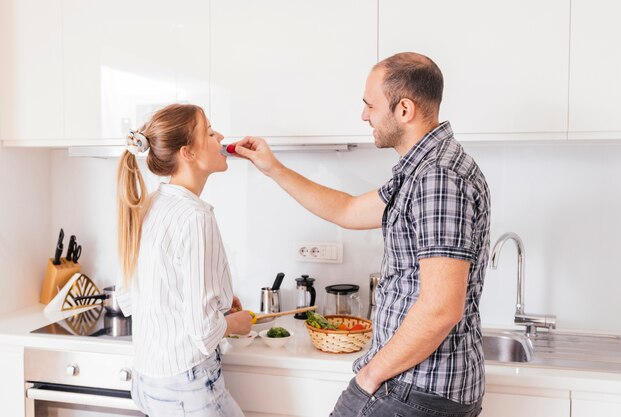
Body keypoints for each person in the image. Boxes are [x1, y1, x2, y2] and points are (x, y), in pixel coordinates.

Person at [232, 52, 490, 417]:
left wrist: (369, 376)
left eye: (370, 105)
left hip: (414, 388)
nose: (364, 115)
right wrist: (274, 168)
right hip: (417, 386)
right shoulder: (421, 171)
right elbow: (348, 209)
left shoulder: (439, 178)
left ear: (404, 109)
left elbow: (440, 309)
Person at [116, 103, 252, 417]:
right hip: (186, 388)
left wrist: (217, 304)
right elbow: (204, 333)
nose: (220, 136)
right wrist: (234, 323)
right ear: (188, 152)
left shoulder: (151, 204)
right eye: (209, 131)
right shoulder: (194, 216)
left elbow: (132, 298)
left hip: (148, 382)